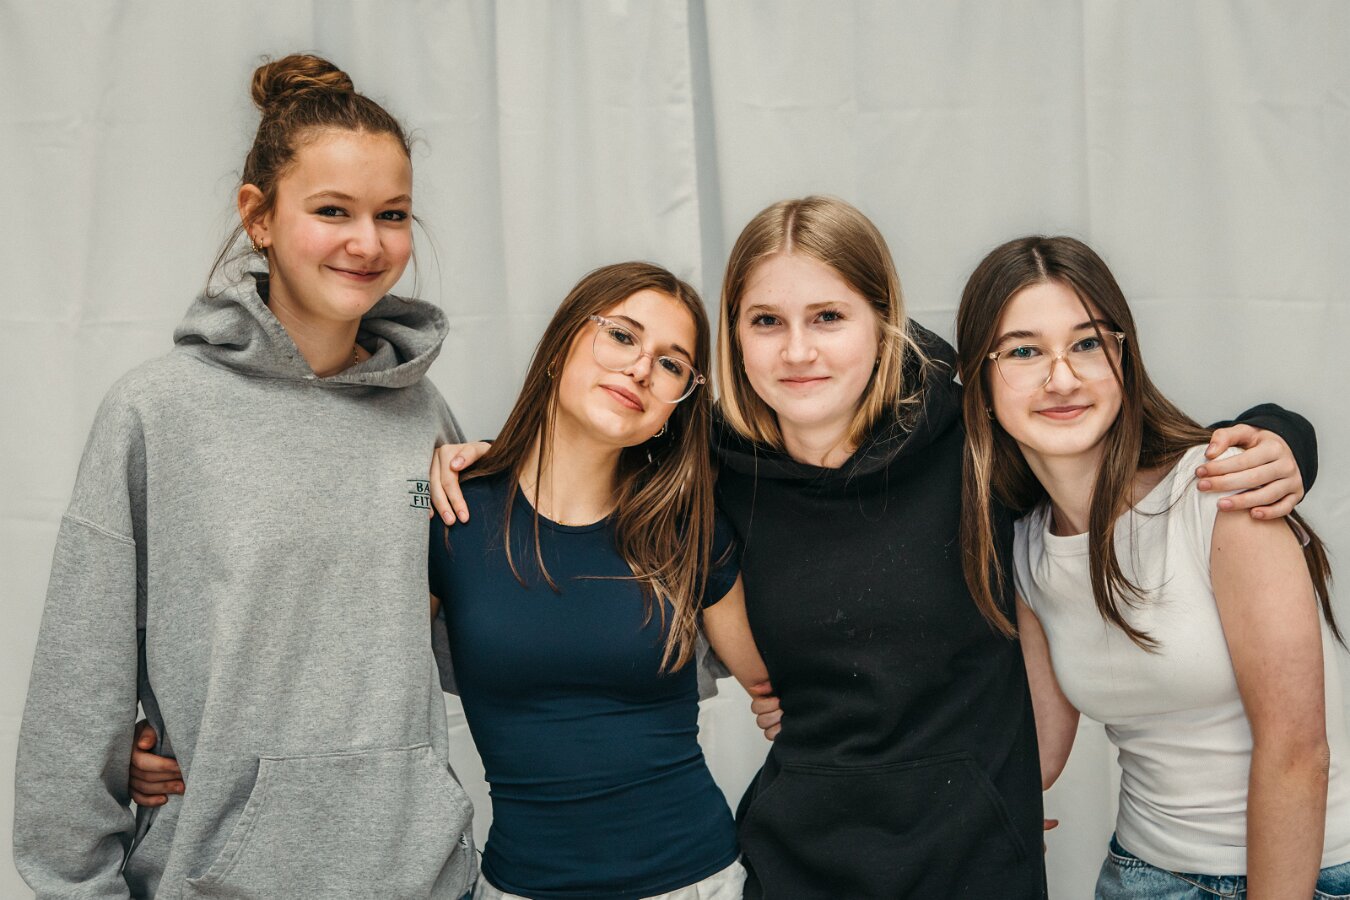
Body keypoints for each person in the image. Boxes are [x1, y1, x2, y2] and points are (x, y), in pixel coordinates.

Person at [426, 196, 1316, 898]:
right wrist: (486, 463)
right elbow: (596, 457)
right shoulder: (716, 470)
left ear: (883, 320)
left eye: (828, 317)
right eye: (765, 322)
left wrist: (1281, 438)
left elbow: (1118, 443)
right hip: (796, 863)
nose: (798, 351)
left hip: (974, 865)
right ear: (734, 340)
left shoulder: (971, 438)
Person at [132, 262, 770, 900]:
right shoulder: (451, 506)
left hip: (698, 883)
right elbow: (340, 660)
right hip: (520, 887)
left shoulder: (688, 527)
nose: (640, 368)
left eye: (671, 364)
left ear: (674, 408)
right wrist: (191, 740)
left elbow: (787, 690)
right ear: (560, 347)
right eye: (622, 336)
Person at [13, 54, 476, 898]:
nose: (368, 242)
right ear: (258, 217)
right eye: (332, 210)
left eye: (392, 214)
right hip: (219, 880)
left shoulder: (422, 415)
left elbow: (473, 641)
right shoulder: (158, 413)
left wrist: (514, 497)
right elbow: (78, 688)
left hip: (421, 877)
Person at [954, 235, 1350, 900]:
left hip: (1312, 877)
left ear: (1124, 357)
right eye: (1023, 351)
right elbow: (1037, 753)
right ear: (980, 382)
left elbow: (1297, 755)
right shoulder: (1025, 545)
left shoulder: (1219, 495)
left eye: (1087, 343)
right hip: (1143, 874)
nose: (1062, 378)